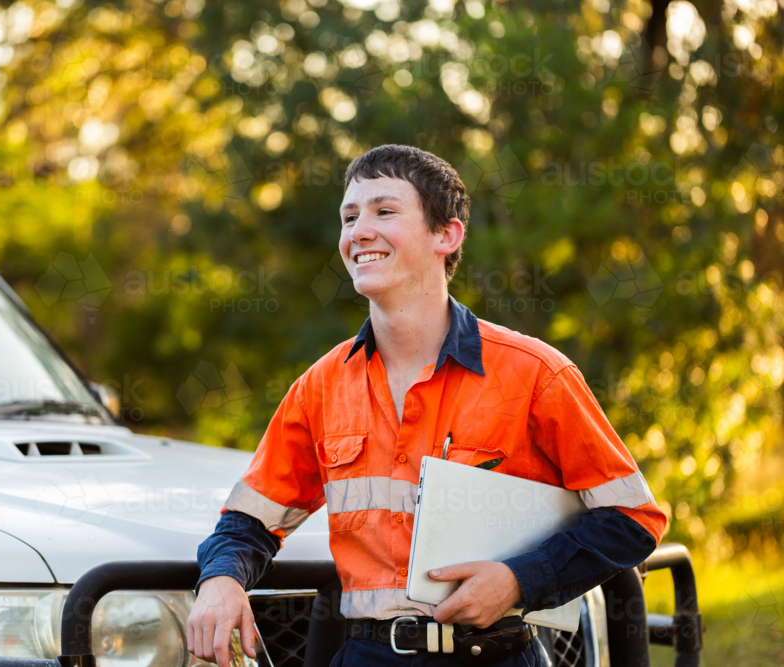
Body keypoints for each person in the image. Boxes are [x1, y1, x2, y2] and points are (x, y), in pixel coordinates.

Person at [185, 145, 667, 666]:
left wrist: (516, 581)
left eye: (384, 211)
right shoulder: (321, 386)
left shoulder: (535, 374)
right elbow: (248, 523)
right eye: (349, 217)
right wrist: (220, 580)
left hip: (496, 655)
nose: (358, 231)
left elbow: (632, 519)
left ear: (446, 234)